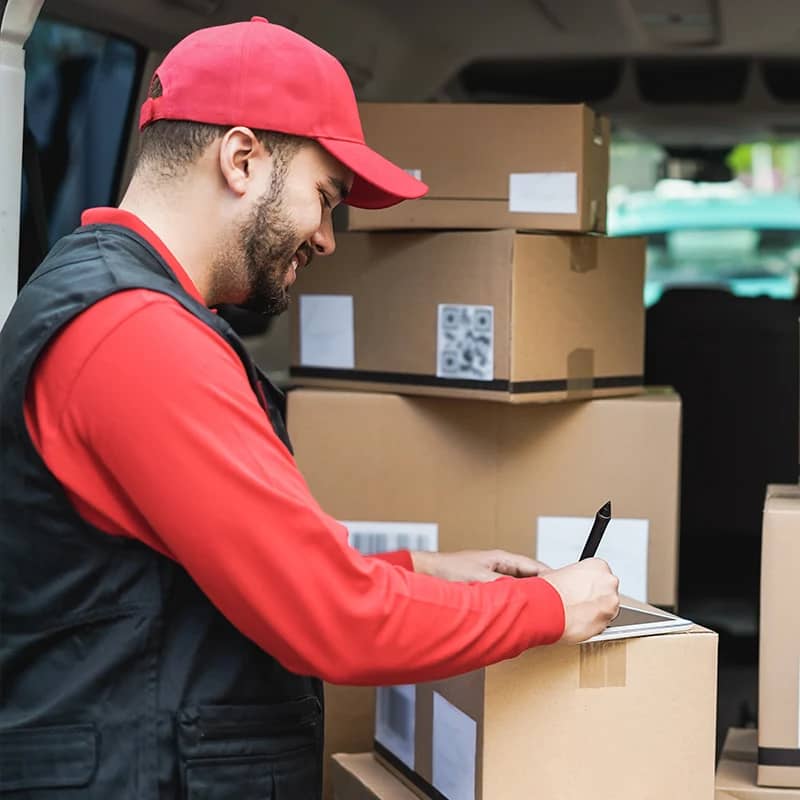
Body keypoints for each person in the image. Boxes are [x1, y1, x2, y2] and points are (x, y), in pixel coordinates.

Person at [0, 17, 619, 798]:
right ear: (242, 158)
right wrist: (547, 607)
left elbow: (200, 586)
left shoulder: (112, 303)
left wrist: (419, 571)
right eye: (324, 198)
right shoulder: (137, 335)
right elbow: (332, 620)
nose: (327, 238)